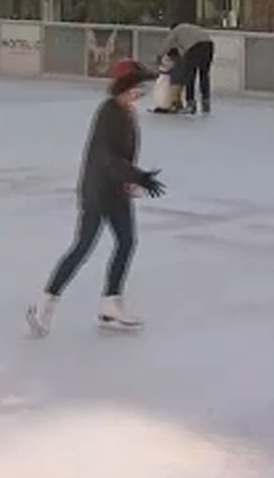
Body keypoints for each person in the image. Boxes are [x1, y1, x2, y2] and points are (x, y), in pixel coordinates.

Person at [28, 61, 165, 336]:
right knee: (83, 246)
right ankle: (44, 306)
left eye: (141, 89)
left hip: (116, 189)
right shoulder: (109, 114)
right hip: (98, 191)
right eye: (136, 89)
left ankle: (111, 305)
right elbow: (107, 158)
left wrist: (130, 180)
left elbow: (121, 156)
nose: (139, 94)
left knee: (126, 242)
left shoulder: (126, 112)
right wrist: (137, 176)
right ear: (123, 89)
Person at [159, 22, 215, 114]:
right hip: (209, 45)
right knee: (204, 74)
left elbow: (167, 43)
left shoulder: (176, 30)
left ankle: (191, 103)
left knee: (190, 76)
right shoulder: (190, 27)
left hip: (195, 47)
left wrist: (159, 55)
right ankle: (206, 102)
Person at [149, 48, 182, 113]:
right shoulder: (177, 60)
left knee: (165, 93)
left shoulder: (170, 60)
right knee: (171, 93)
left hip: (169, 79)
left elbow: (167, 68)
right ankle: (170, 106)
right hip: (171, 79)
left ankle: (166, 106)